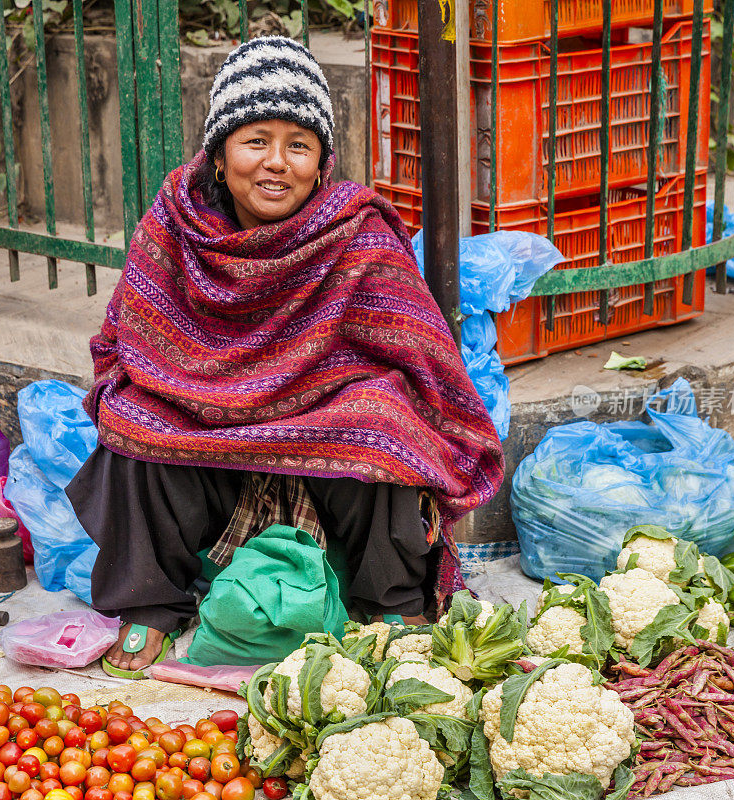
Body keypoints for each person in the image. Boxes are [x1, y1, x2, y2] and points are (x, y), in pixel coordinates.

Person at [66, 35, 504, 678]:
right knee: (133, 416)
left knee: (385, 420)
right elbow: (130, 347)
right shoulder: (175, 224)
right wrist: (193, 393)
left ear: (321, 161)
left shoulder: (356, 234)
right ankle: (151, 607)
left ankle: (392, 606)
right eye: (255, 140)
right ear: (219, 155)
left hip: (327, 455)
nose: (276, 163)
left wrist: (358, 402)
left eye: (298, 144)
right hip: (205, 435)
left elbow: (423, 362)